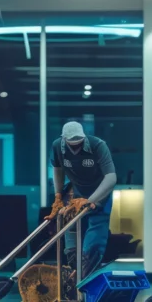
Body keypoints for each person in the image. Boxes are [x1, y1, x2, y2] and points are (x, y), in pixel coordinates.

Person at [48, 120, 117, 281]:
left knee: (94, 239)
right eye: (71, 143)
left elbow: (111, 177)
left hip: (100, 194)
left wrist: (91, 200)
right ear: (64, 139)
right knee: (70, 231)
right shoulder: (57, 146)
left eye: (78, 143)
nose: (75, 147)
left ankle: (87, 277)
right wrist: (58, 195)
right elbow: (57, 170)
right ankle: (72, 272)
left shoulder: (98, 145)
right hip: (76, 193)